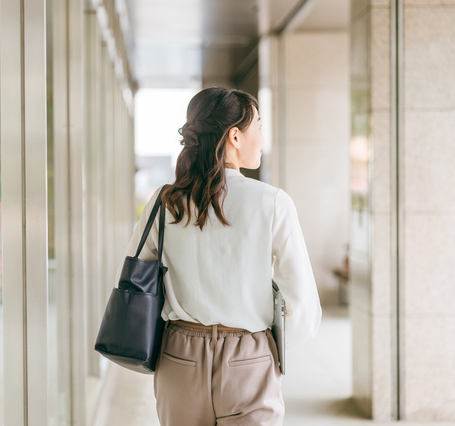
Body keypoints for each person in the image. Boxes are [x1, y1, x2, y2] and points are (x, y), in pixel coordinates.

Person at [114, 87, 322, 426]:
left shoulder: (164, 201)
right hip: (249, 356)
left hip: (178, 357)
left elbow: (135, 274)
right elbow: (303, 305)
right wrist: (267, 352)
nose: (263, 137)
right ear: (235, 136)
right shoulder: (272, 202)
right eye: (259, 126)